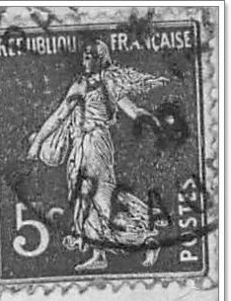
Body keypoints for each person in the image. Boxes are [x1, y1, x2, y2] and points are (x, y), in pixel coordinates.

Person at [27, 41, 169, 272]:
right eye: (85, 56)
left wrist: (153, 121)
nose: (86, 60)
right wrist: (38, 144)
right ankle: (98, 254)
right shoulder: (80, 84)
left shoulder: (109, 84)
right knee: (82, 201)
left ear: (102, 58)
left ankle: (146, 236)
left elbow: (133, 111)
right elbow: (59, 115)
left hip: (96, 143)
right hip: (79, 147)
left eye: (91, 56)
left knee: (103, 199)